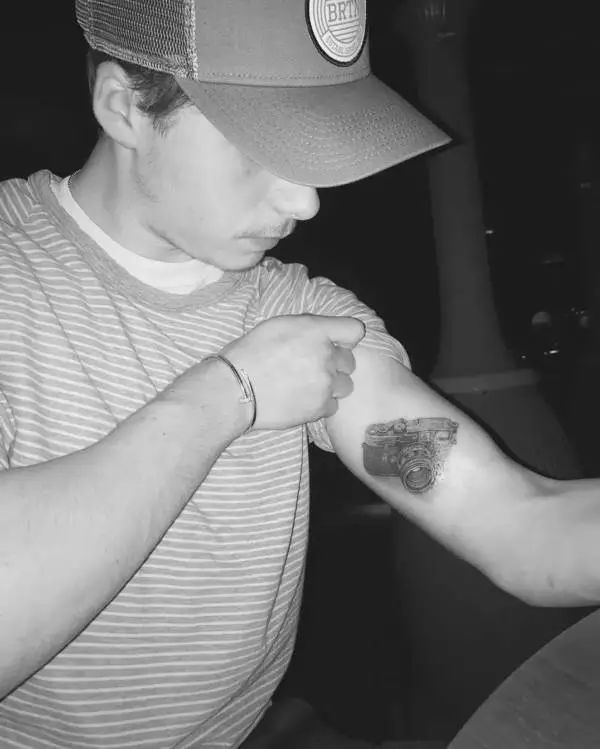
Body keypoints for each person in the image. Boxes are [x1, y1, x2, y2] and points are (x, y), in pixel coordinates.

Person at [1, 0, 599, 747]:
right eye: (259, 147)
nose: (305, 200)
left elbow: (518, 523)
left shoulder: (303, 316)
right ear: (123, 106)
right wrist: (230, 394)